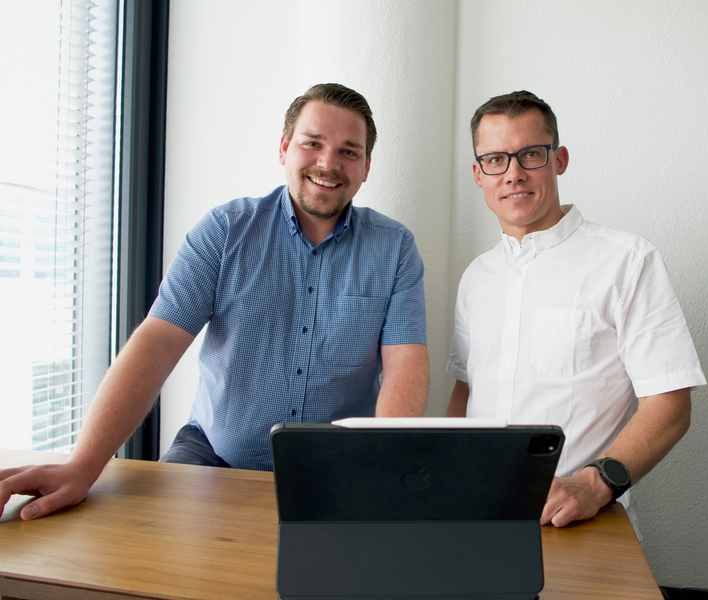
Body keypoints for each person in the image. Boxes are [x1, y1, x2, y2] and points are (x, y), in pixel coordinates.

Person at [0, 83, 429, 520]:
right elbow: (158, 341)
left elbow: (405, 365)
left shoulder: (394, 249)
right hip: (212, 453)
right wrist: (83, 465)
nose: (328, 163)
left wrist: (382, 468)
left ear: (366, 167)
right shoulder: (225, 231)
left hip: (340, 465)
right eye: (312, 143)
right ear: (284, 147)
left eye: (348, 152)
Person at [446, 90, 705, 528]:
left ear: (559, 159)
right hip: (479, 514)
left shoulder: (627, 261)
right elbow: (466, 392)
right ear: (478, 173)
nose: (513, 174)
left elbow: (671, 404)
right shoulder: (477, 276)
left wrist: (593, 484)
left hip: (584, 522)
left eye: (530, 154)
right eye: (495, 160)